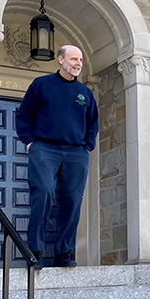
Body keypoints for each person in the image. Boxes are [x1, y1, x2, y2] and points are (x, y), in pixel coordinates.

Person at [16, 45, 98, 268]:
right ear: (60, 60)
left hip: (76, 152)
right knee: (43, 191)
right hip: (44, 148)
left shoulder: (85, 93)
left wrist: (86, 147)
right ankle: (34, 251)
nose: (78, 63)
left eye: (80, 59)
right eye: (73, 59)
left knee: (72, 200)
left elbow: (92, 124)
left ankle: (64, 252)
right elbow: (24, 115)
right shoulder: (41, 85)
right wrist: (30, 142)